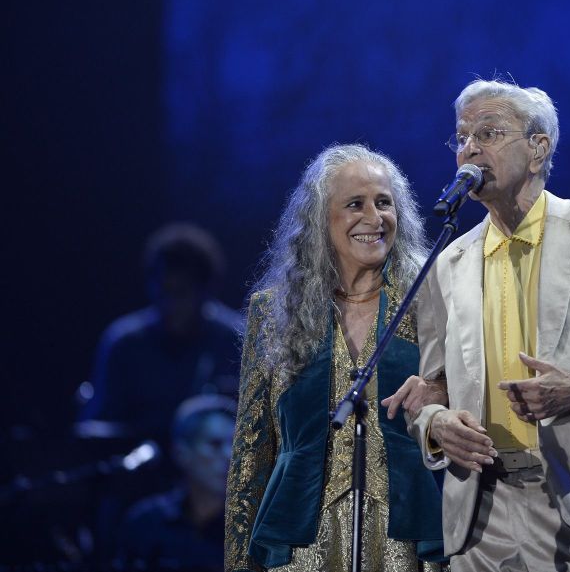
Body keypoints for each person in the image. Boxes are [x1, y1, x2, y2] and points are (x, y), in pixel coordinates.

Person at [384, 79, 570, 571]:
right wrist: (437, 426)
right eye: (461, 137)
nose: (470, 148)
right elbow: (434, 388)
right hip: (480, 511)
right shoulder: (451, 261)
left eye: (489, 133)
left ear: (538, 148)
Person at [225, 144, 446, 571]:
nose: (373, 217)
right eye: (354, 204)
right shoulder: (275, 314)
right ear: (320, 221)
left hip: (409, 542)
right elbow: (251, 452)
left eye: (384, 203)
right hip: (301, 547)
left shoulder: (431, 301)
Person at [79, 223, 242, 442]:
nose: (169, 304)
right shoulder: (123, 343)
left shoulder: (237, 339)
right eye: (163, 291)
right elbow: (94, 427)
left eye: (181, 293)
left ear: (206, 290)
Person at [117, 394, 236, 571]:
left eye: (235, 445)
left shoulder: (250, 527)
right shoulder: (147, 522)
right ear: (182, 453)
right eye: (215, 444)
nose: (229, 456)